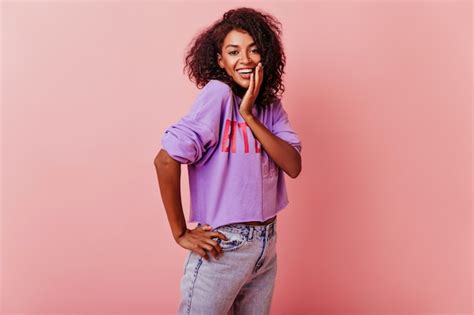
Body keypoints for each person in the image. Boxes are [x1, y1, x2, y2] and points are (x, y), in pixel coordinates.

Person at [154, 7, 302, 315]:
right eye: (233, 51)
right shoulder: (218, 94)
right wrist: (180, 232)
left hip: (266, 247)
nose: (245, 60)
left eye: (253, 50)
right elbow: (165, 160)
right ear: (220, 60)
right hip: (225, 246)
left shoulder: (269, 106)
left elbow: (293, 165)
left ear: (266, 55)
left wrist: (249, 115)